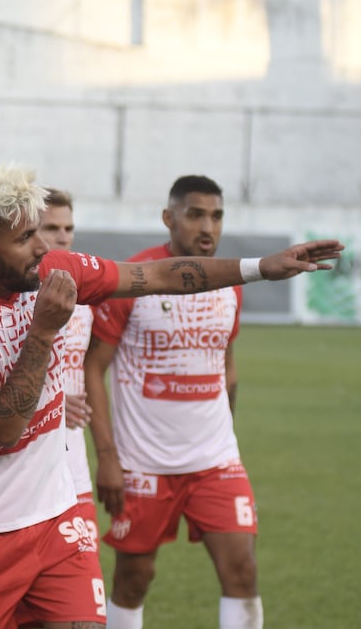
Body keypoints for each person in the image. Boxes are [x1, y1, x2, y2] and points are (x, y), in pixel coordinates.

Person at [0, 163, 342, 629]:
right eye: (28, 237)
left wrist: (259, 269)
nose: (46, 247)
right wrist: (44, 332)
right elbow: (3, 432)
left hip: (60, 521)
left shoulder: (53, 271)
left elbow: (158, 276)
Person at [82, 176, 259, 628]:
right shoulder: (135, 278)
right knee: (134, 579)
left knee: (241, 569)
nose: (208, 226)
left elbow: (226, 363)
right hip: (144, 464)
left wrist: (227, 434)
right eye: (195, 214)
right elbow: (93, 369)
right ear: (169, 218)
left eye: (216, 216)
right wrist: (108, 458)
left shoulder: (230, 284)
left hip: (216, 460)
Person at [35, 187, 101, 549]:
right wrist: (54, 404)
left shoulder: (85, 296)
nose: (63, 235)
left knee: (85, 581)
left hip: (74, 463)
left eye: (68, 227)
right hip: (26, 469)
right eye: (51, 227)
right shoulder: (16, 296)